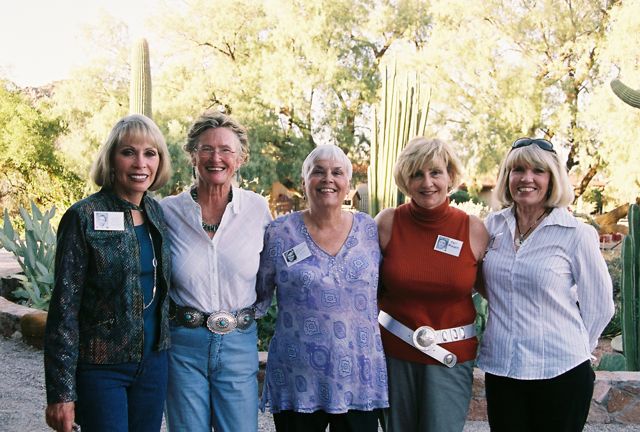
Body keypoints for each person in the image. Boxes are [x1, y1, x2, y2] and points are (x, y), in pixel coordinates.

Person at [44, 114, 173, 432]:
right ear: (112, 160)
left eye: (150, 153)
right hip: (101, 369)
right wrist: (61, 394)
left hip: (154, 365)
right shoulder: (83, 217)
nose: (140, 162)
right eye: (128, 152)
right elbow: (63, 310)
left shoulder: (157, 213)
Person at [477, 137, 615, 431]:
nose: (527, 179)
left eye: (538, 171)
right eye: (518, 170)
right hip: (503, 370)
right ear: (507, 177)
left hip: (561, 370)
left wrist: (576, 347)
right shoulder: (492, 227)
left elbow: (600, 305)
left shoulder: (576, 234)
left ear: (552, 179)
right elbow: (482, 282)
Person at [255, 145, 389, 432]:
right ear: (304, 182)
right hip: (298, 374)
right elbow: (258, 295)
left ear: (348, 184)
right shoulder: (279, 232)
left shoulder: (370, 230)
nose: (328, 179)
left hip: (359, 375)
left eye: (337, 172)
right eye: (318, 172)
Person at [160, 110, 272, 431]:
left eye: (226, 150)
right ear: (192, 156)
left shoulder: (256, 209)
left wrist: (250, 315)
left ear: (240, 159)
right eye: (207, 149)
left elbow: (270, 272)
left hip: (239, 343)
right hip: (183, 346)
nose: (216, 157)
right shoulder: (168, 212)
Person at [375, 137, 489, 432]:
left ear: (450, 176)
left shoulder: (474, 230)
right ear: (405, 180)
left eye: (435, 172)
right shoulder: (387, 224)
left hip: (450, 359)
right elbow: (367, 291)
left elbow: (496, 292)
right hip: (394, 356)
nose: (427, 183)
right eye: (417, 174)